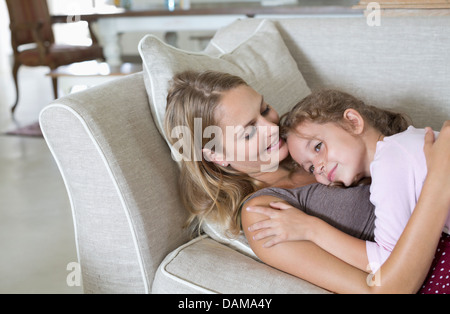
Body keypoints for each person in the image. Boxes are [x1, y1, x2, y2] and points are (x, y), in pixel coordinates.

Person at [164, 70, 450, 293]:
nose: (271, 128)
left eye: (264, 110)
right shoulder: (263, 214)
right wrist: (439, 182)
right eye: (249, 132)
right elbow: (385, 289)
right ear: (216, 155)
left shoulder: (309, 141)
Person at [245, 90, 450, 293]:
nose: (319, 167)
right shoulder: (407, 142)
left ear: (353, 121)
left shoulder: (390, 164)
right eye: (311, 168)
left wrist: (311, 229)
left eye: (317, 147)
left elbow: (386, 262)